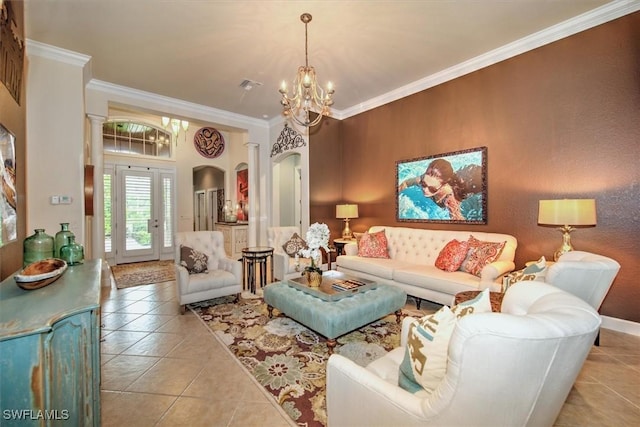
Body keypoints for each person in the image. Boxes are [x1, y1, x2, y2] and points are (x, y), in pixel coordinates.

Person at [398, 158, 479, 221]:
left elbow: (460, 223)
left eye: (432, 189)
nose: (425, 190)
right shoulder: (422, 179)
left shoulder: (450, 199)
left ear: (443, 186)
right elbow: (406, 183)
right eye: (424, 184)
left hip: (473, 180)